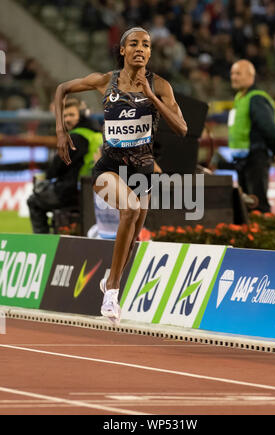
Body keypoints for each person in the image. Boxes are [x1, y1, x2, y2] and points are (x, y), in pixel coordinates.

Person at [54, 26, 187, 324]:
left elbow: (182, 128)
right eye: (134, 44)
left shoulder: (161, 86)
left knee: (133, 237)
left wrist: (151, 95)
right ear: (123, 50)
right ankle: (112, 292)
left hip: (142, 171)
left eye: (147, 45)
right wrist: (61, 131)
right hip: (109, 168)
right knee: (130, 209)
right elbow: (62, 88)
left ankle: (108, 281)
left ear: (151, 52)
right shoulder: (105, 81)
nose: (141, 48)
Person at [27, 97, 102, 233]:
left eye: (71, 115)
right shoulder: (97, 133)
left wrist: (45, 177)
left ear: (81, 115)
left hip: (72, 193)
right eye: (65, 116)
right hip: (94, 193)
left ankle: (41, 241)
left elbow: (55, 170)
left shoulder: (74, 138)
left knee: (33, 201)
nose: (67, 119)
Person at [228, 59, 275, 213]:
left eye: (238, 73)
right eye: (232, 73)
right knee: (247, 205)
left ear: (251, 76)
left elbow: (270, 129)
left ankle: (264, 235)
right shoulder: (240, 98)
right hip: (244, 161)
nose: (234, 77)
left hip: (256, 158)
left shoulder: (256, 98)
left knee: (258, 204)